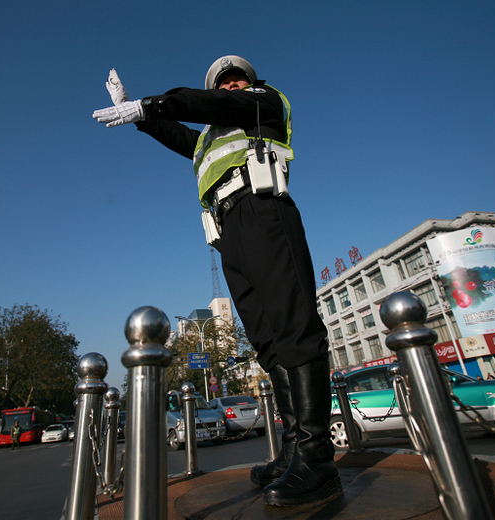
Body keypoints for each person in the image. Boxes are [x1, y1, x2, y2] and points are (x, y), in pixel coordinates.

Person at [93, 56, 342, 507]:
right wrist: (138, 112)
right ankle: (293, 450)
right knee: (267, 340)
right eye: (222, 82)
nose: (230, 84)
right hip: (229, 232)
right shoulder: (209, 138)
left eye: (236, 79)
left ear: (250, 83)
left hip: (265, 212)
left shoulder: (264, 103)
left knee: (295, 326)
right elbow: (179, 134)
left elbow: (203, 104)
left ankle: (317, 457)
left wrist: (154, 101)